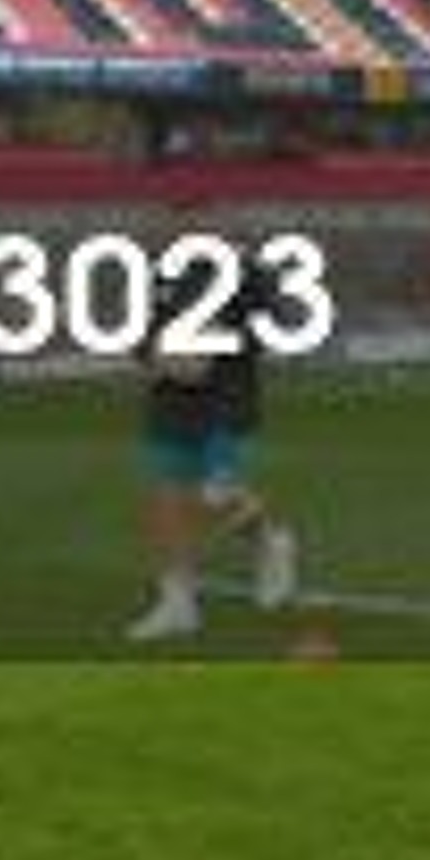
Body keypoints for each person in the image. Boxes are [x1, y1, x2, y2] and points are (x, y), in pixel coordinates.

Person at [124, 246, 300, 643]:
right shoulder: (160, 273)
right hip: (170, 402)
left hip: (226, 399)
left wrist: (222, 344)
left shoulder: (245, 268)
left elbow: (281, 322)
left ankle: (272, 541)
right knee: (167, 501)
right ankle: (178, 605)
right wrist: (158, 358)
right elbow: (141, 336)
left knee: (216, 494)